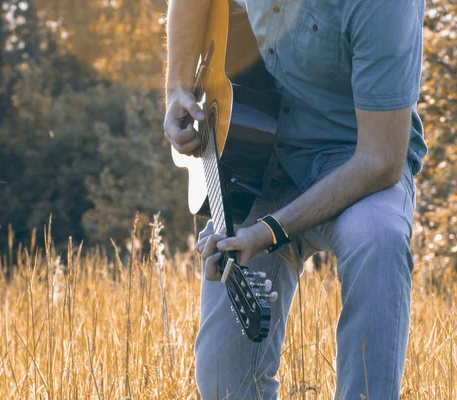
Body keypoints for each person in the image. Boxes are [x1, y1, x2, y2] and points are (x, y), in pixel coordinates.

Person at [163, 0, 427, 398]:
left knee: (379, 239)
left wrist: (268, 232)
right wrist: (178, 88)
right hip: (256, 159)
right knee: (224, 384)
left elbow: (381, 161)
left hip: (354, 161)